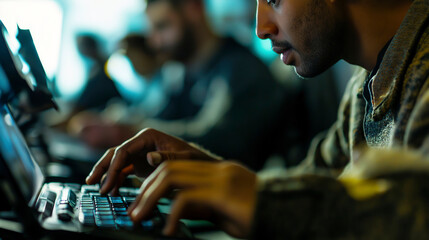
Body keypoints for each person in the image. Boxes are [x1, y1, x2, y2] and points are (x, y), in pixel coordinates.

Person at [86, 0, 429, 239]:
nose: (261, 28)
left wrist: (261, 201)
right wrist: (209, 173)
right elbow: (315, 180)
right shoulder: (366, 83)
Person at [77, 0, 286, 170]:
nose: (155, 43)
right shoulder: (181, 73)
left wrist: (126, 132)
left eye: (162, 26)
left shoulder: (240, 68)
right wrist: (116, 123)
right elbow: (156, 114)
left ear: (194, 8)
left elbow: (213, 139)